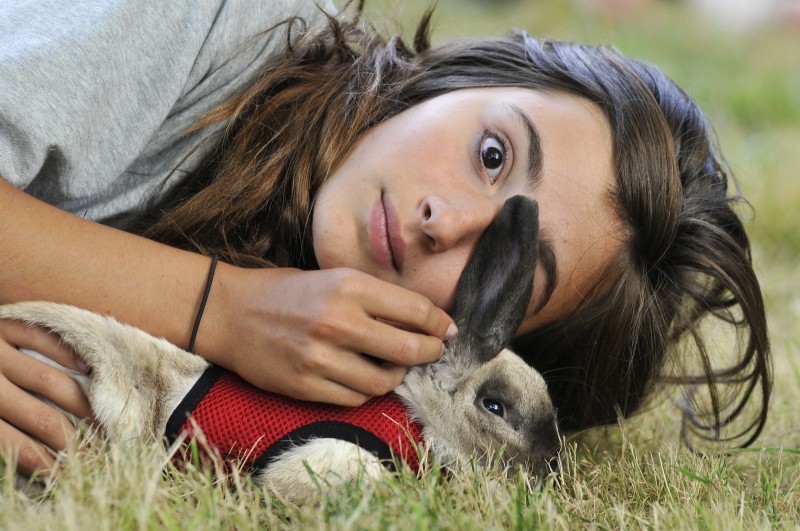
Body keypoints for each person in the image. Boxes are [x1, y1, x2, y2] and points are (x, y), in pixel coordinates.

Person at [0, 0, 770, 478]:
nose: (447, 220)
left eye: (502, 264)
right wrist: (220, 308)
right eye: (492, 154)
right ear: (458, 78)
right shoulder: (206, 19)